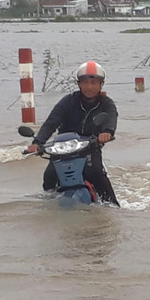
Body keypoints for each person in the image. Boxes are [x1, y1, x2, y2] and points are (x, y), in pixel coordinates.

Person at [28, 60, 120, 206]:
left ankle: (112, 207)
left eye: (94, 82)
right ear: (79, 84)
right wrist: (37, 142)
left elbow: (111, 118)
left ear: (101, 84)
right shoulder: (68, 101)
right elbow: (51, 122)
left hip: (90, 147)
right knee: (49, 177)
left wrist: (107, 132)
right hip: (62, 148)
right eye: (85, 82)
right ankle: (49, 207)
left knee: (96, 174)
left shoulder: (106, 103)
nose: (89, 86)